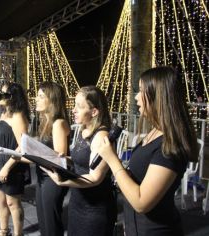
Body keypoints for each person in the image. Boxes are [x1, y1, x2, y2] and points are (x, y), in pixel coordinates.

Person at [97, 66, 198, 235]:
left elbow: (142, 202)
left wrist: (112, 160)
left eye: (141, 91)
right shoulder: (154, 131)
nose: (136, 97)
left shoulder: (171, 145)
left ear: (158, 97)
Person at [45, 86, 116, 236]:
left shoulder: (101, 136)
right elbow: (81, 161)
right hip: (78, 202)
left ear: (94, 112)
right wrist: (62, 159)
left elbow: (95, 178)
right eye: (75, 105)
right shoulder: (84, 130)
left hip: (94, 209)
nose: (74, 110)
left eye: (79, 106)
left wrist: (62, 181)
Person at [0, 82, 30, 236]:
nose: (1, 95)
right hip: (0, 159)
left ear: (13, 97)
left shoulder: (18, 116)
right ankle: (4, 230)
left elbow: (22, 146)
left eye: (4, 93)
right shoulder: (3, 114)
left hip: (13, 163)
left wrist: (7, 166)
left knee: (12, 202)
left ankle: (19, 233)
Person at [33, 81, 70, 236]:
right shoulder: (45, 121)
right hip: (42, 175)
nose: (36, 99)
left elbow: (59, 157)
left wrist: (32, 152)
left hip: (52, 178)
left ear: (52, 100)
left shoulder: (58, 123)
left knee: (51, 223)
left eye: (41, 96)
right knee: (43, 220)